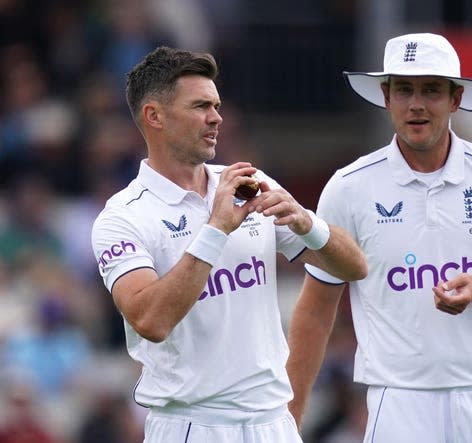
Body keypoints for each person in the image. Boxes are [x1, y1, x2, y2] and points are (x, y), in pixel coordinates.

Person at [286, 32, 472, 443]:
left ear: (455, 99)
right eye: (404, 90)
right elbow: (315, 311)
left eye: (431, 90)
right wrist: (290, 418)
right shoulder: (349, 187)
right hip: (400, 405)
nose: (416, 104)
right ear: (386, 96)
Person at [90, 46, 367, 443]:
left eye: (216, 105)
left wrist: (308, 224)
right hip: (192, 423)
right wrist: (216, 229)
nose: (217, 117)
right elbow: (150, 320)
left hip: (273, 421)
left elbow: (355, 267)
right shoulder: (122, 217)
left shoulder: (248, 183)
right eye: (201, 106)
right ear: (155, 116)